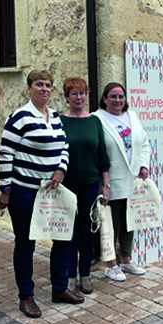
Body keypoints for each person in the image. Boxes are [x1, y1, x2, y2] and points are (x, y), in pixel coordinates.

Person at [0, 69, 83, 320]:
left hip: (52, 191)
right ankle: (26, 296)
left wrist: (61, 170)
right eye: (39, 85)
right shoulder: (19, 117)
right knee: (25, 244)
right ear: (29, 88)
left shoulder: (54, 116)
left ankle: (59, 289)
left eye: (48, 85)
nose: (44, 89)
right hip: (25, 192)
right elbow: (5, 154)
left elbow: (64, 147)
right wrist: (5, 190)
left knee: (63, 236)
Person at [93, 82, 151, 282]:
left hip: (132, 179)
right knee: (110, 223)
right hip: (111, 180)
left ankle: (126, 259)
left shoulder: (132, 117)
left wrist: (144, 164)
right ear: (104, 98)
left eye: (121, 96)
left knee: (129, 221)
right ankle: (111, 264)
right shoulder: (97, 119)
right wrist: (104, 180)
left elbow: (144, 143)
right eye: (113, 96)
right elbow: (98, 151)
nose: (118, 100)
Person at [60, 77, 111, 294]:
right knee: (68, 232)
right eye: (74, 94)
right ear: (66, 97)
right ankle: (70, 275)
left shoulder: (94, 122)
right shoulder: (59, 121)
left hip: (90, 183)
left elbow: (102, 155)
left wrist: (105, 183)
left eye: (82, 93)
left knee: (86, 231)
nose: (79, 98)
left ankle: (86, 274)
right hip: (67, 185)